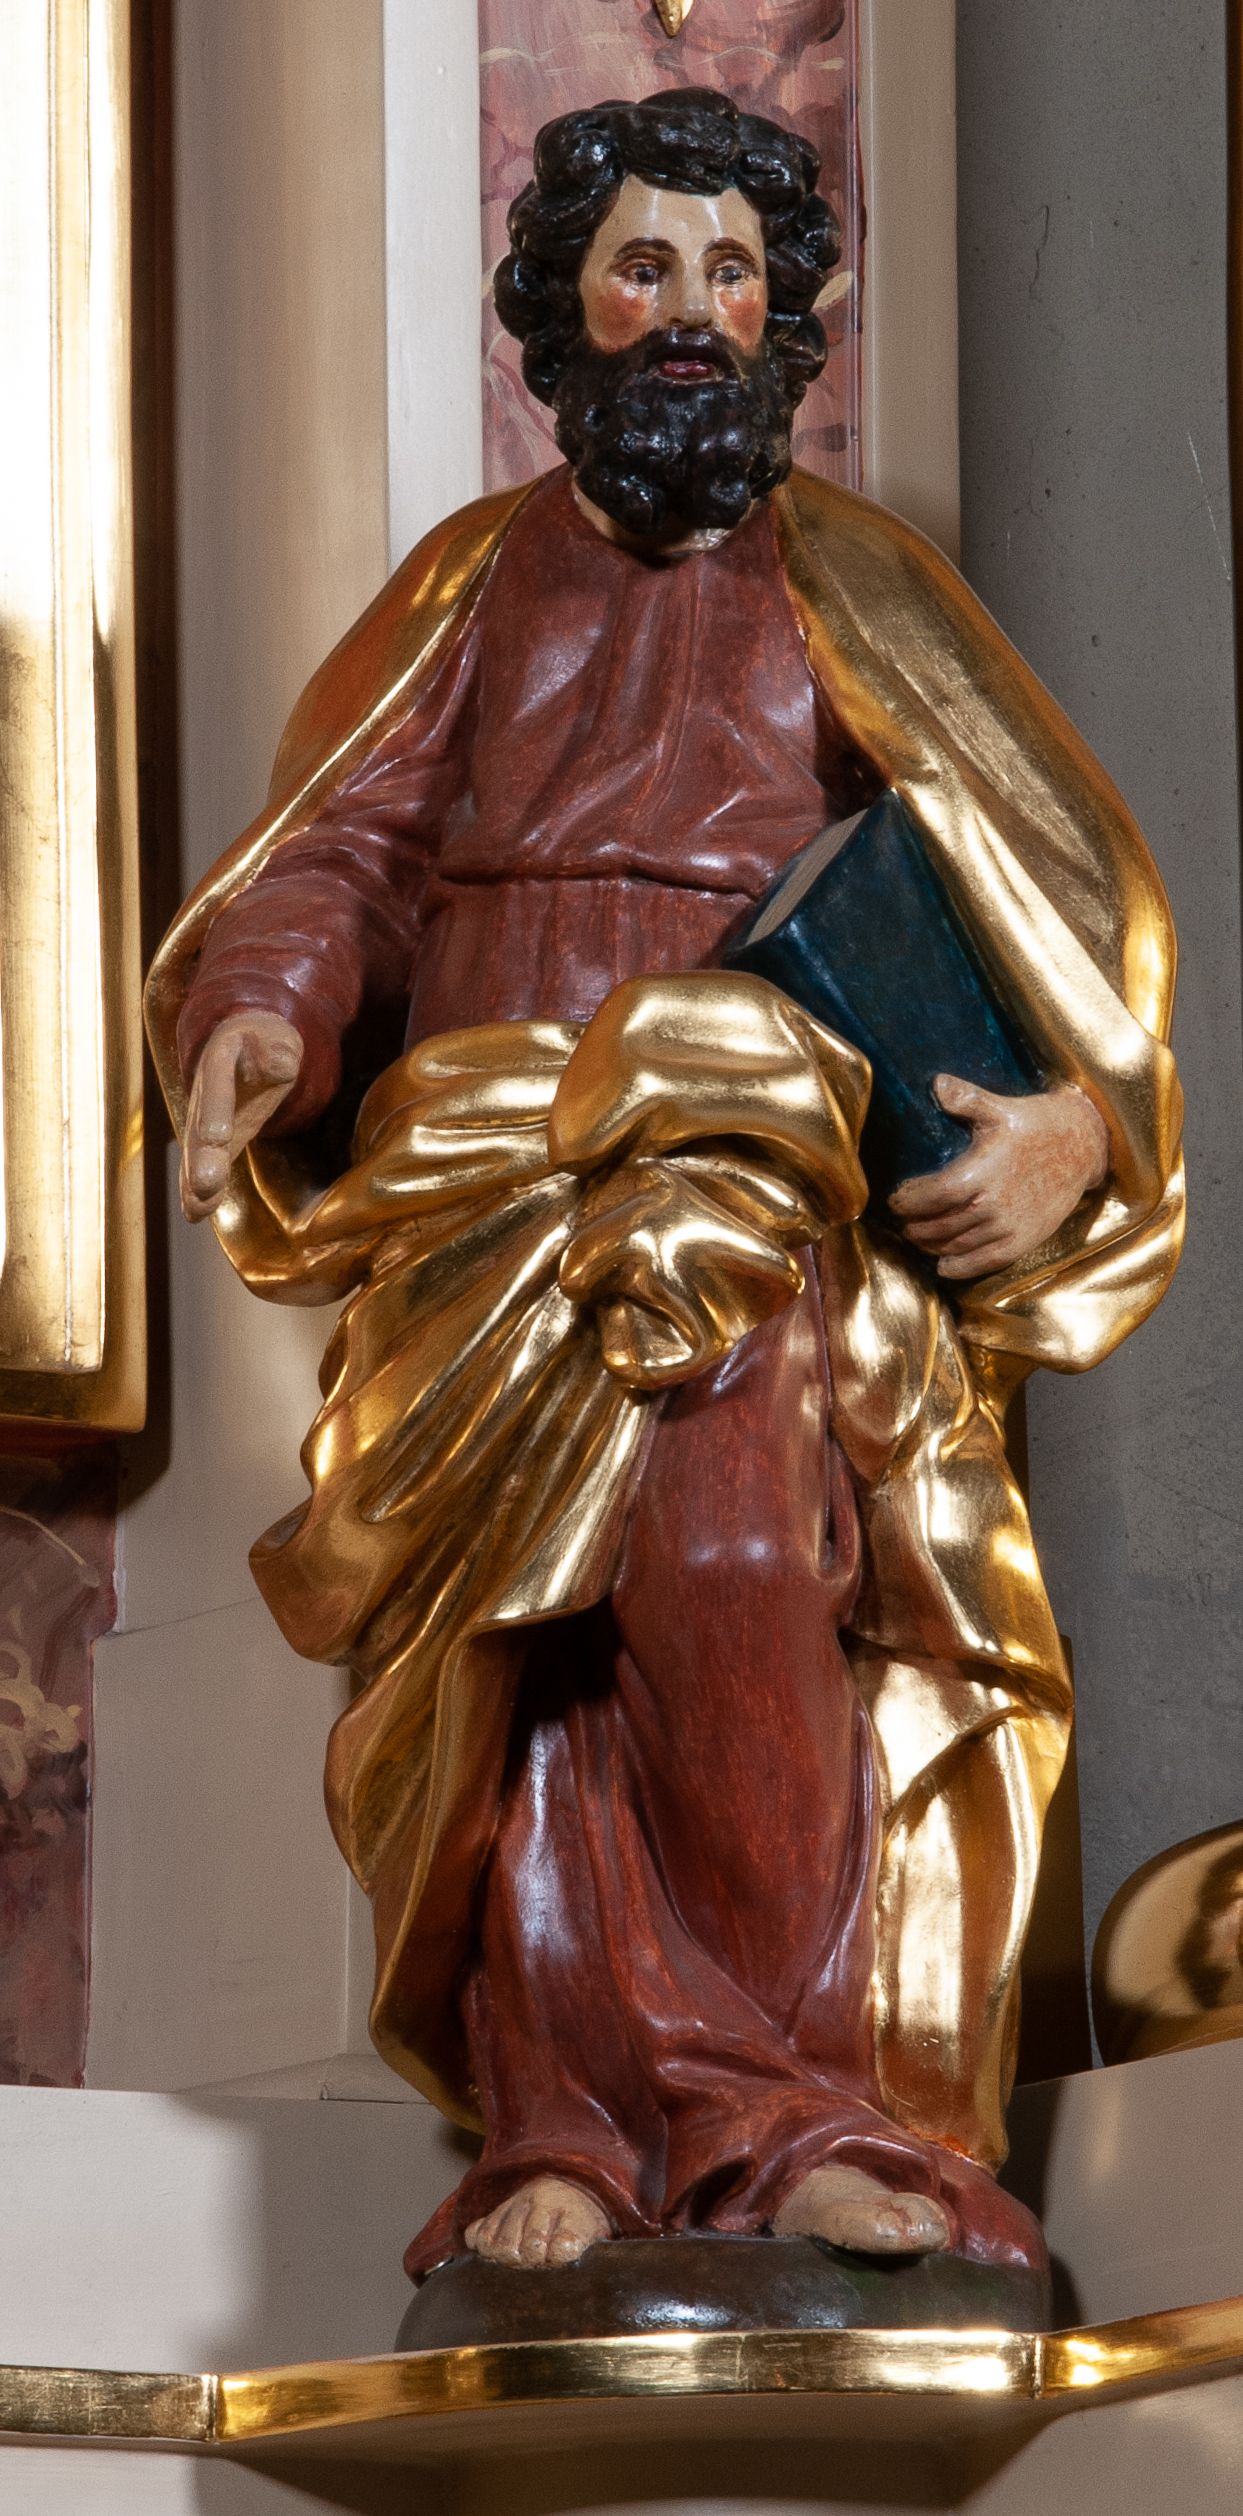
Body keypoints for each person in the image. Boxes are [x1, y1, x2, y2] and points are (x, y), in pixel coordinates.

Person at [146, 89, 1183, 2286]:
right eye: (645, 267)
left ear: (785, 315)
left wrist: (1077, 1125)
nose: (691, 309)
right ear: (564, 309)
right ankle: (561, 2122)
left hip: (754, 1158)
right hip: (491, 1165)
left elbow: (1058, 901)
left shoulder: (853, 579)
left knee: (733, 1570)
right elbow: (342, 855)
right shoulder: (469, 580)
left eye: (731, 271)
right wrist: (263, 1010)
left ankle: (798, 2116)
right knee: (528, 1644)